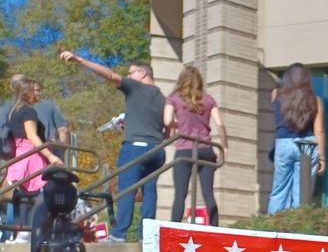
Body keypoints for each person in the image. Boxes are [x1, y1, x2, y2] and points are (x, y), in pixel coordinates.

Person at [60, 50, 165, 241]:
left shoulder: (135, 87)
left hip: (135, 148)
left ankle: (119, 233)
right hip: (156, 149)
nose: (128, 76)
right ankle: (147, 236)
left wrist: (80, 59)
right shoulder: (162, 97)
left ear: (142, 73)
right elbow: (167, 125)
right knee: (149, 191)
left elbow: (109, 75)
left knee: (126, 189)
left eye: (131, 72)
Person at [165, 65, 227, 226]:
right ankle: (215, 229)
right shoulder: (208, 99)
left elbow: (167, 120)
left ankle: (174, 229)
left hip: (185, 149)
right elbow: (220, 124)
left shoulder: (174, 98)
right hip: (206, 148)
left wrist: (178, 125)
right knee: (208, 193)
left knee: (180, 194)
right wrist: (224, 147)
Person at [4, 78, 63, 240]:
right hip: (30, 155)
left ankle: (20, 232)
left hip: (18, 155)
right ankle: (35, 233)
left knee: (23, 196)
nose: (39, 93)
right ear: (27, 92)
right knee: (39, 196)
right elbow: (31, 136)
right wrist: (51, 156)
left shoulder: (13, 110)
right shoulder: (28, 111)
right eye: (36, 90)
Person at [267, 62, 325, 215]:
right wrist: (322, 157)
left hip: (283, 143)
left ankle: (272, 224)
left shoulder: (275, 94)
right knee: (302, 194)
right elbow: (319, 130)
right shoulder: (316, 100)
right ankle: (298, 225)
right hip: (307, 145)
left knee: (279, 190)